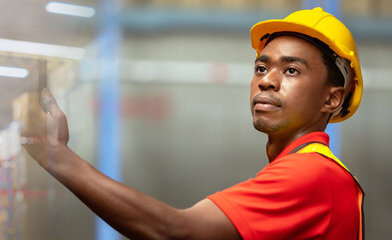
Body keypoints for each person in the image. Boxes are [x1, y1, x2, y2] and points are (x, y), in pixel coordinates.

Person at [21, 7, 364, 240]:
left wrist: (56, 155)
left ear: (331, 99)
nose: (267, 81)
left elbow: (175, 231)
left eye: (291, 70)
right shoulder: (307, 171)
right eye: (261, 67)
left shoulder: (311, 174)